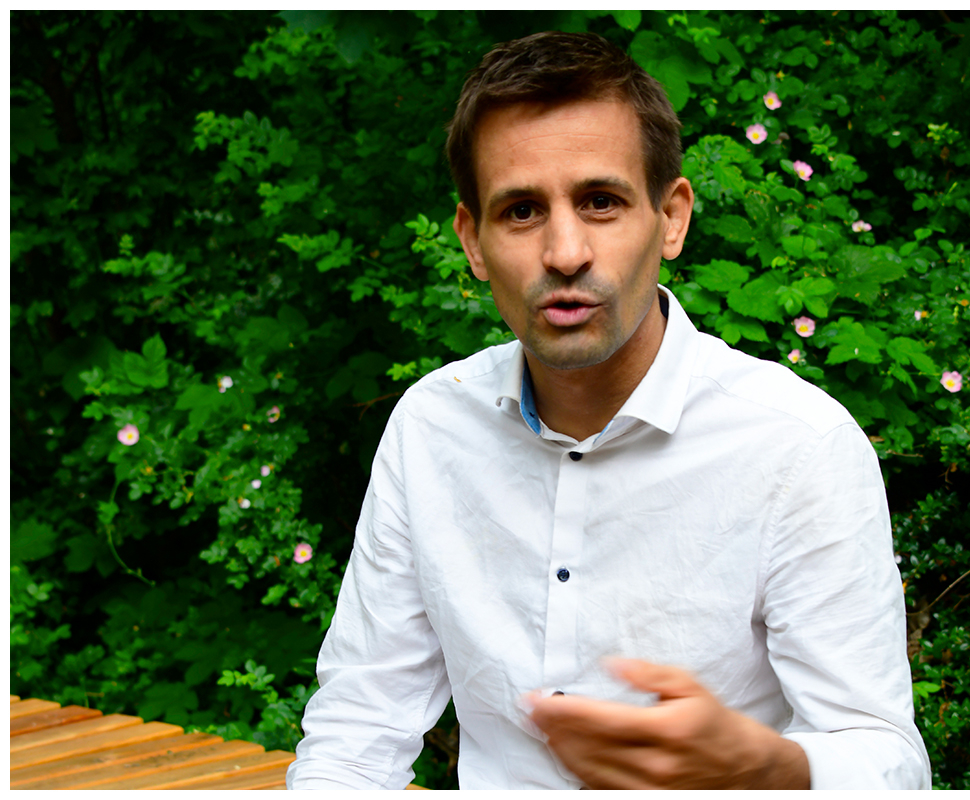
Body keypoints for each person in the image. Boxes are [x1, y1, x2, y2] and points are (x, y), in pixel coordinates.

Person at [287, 30, 931, 790]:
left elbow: (886, 760)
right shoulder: (432, 428)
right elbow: (357, 731)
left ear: (671, 218)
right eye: (521, 211)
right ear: (473, 242)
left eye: (600, 202)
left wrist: (766, 763)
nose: (565, 252)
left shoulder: (798, 445)